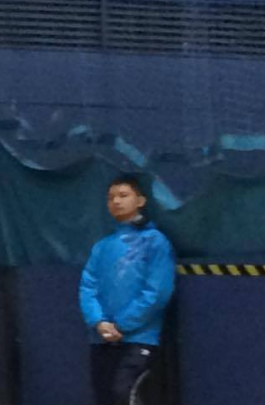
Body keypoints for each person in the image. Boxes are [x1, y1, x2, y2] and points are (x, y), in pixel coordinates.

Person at [80, 174, 176, 405]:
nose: (116, 202)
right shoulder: (102, 247)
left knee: (124, 394)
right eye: (111, 197)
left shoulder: (155, 242)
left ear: (141, 200)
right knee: (105, 397)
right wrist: (99, 322)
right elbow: (87, 286)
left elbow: (157, 292)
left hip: (139, 341)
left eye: (124, 195)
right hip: (102, 341)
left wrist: (122, 325)